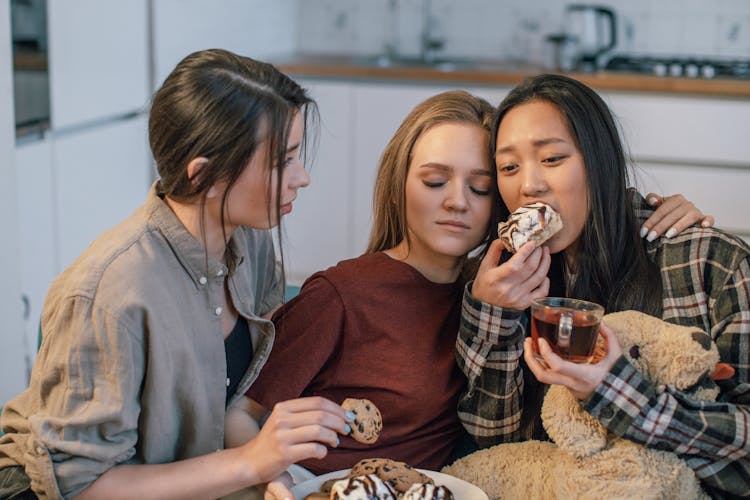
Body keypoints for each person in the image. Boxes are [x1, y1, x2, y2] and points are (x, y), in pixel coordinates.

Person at [226, 90, 713, 487]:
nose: (457, 202)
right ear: (400, 183)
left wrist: (647, 212)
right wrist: (273, 483)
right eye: (434, 181)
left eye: (481, 188)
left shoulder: (520, 288)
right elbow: (240, 416)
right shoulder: (342, 294)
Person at [0, 49, 354, 500]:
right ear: (203, 176)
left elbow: (241, 401)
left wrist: (272, 471)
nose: (301, 178)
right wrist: (250, 461)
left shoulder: (250, 238)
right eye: (281, 161)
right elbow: (80, 485)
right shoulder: (108, 293)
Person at [456, 73, 750, 498]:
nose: (529, 185)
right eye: (508, 168)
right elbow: (498, 452)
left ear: (600, 162)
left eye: (553, 158)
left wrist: (613, 390)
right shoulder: (498, 280)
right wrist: (491, 316)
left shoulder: (706, 263)